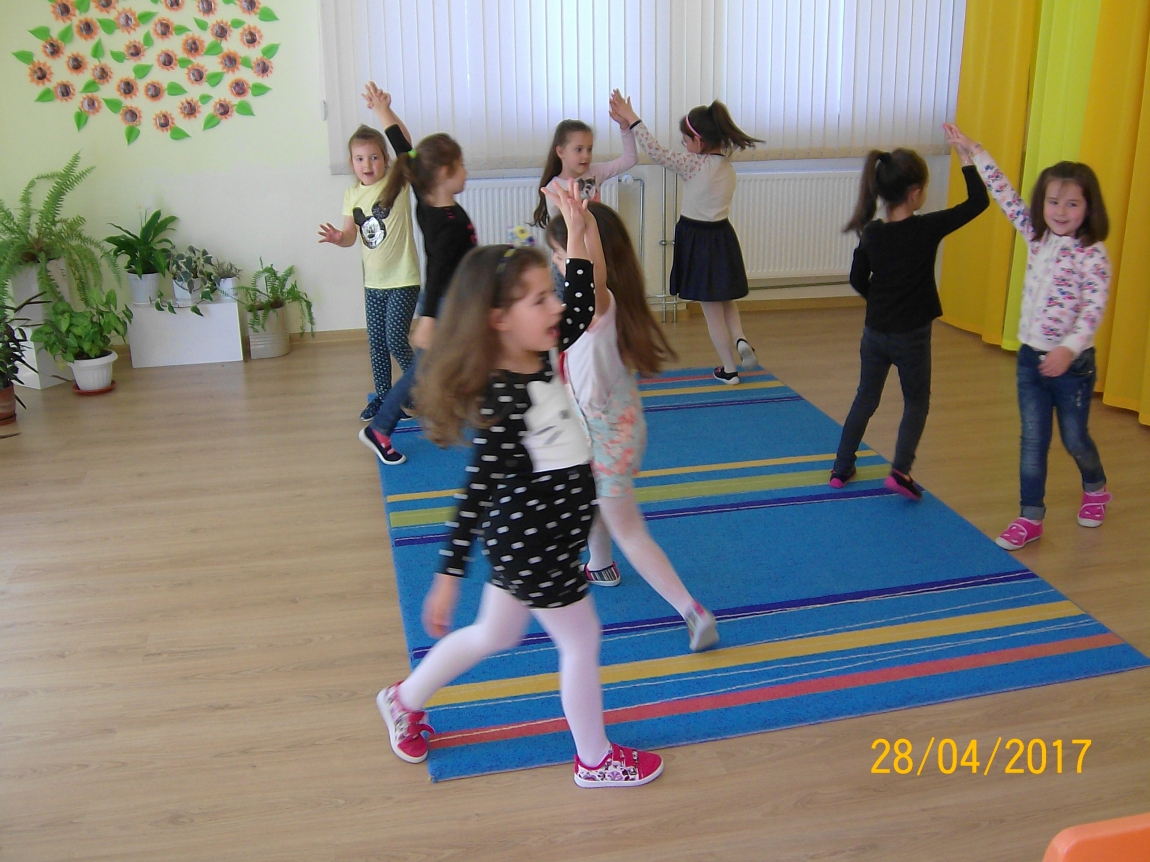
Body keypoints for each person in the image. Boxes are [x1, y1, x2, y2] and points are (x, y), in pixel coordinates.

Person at [377, 184, 663, 788]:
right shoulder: (504, 402)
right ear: (499, 321)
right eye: (539, 299)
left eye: (549, 292)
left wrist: (577, 230)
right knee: (581, 639)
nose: (555, 305)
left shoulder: (538, 352)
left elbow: (580, 306)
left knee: (494, 633)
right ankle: (594, 759)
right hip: (534, 544)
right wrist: (448, 576)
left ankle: (404, 699)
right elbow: (475, 493)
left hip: (538, 539)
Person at [546, 201, 719, 652]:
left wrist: (580, 228)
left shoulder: (598, 307)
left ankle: (691, 610)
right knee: (592, 496)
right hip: (607, 431)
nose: (558, 266)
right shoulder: (595, 309)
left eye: (562, 257)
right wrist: (571, 214)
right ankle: (600, 565)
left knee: (629, 529)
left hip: (605, 439)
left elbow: (590, 279)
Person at [944, 124, 1112, 550]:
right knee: (1033, 441)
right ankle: (1030, 516)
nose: (1060, 211)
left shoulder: (1092, 255)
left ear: (1088, 208)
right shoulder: (1037, 236)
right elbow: (1004, 195)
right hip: (1030, 361)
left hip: (1073, 368)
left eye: (1072, 203)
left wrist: (1068, 349)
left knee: (1074, 438)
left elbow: (1092, 312)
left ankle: (1096, 488)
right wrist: (974, 150)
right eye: (1053, 202)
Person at [829, 139, 989, 500]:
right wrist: (966, 158)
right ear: (915, 193)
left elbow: (857, 279)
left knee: (865, 398)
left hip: (875, 333)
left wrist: (880, 301)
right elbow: (978, 202)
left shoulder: (872, 232)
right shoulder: (927, 228)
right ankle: (900, 470)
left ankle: (841, 468)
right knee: (916, 402)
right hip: (912, 336)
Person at [355, 83, 478, 465]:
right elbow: (439, 270)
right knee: (422, 369)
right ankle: (380, 429)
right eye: (461, 165)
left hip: (454, 300)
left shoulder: (427, 199)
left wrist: (383, 111)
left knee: (456, 359)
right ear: (444, 172)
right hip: (445, 303)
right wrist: (427, 319)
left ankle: (459, 407)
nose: (466, 171)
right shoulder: (447, 222)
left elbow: (403, 149)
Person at [609, 90, 762, 383]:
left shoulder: (694, 164)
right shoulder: (727, 167)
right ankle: (740, 338)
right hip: (723, 237)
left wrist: (632, 119)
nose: (684, 146)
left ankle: (729, 369)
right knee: (726, 299)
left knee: (711, 310)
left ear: (699, 142)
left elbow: (655, 152)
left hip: (698, 239)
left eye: (685, 141)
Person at [318, 85, 420, 422]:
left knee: (395, 339)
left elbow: (406, 146)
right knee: (376, 342)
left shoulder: (396, 182)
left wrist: (383, 111)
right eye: (360, 158)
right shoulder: (351, 195)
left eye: (374, 157)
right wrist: (338, 237)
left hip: (403, 278)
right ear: (351, 163)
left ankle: (422, 387)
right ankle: (384, 398)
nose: (367, 164)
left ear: (385, 160)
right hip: (374, 283)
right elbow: (351, 236)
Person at [531, 113, 637, 227]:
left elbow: (630, 159)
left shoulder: (595, 172)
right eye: (579, 149)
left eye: (589, 149)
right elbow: (560, 228)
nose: (586, 155)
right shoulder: (553, 188)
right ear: (560, 152)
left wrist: (624, 126)